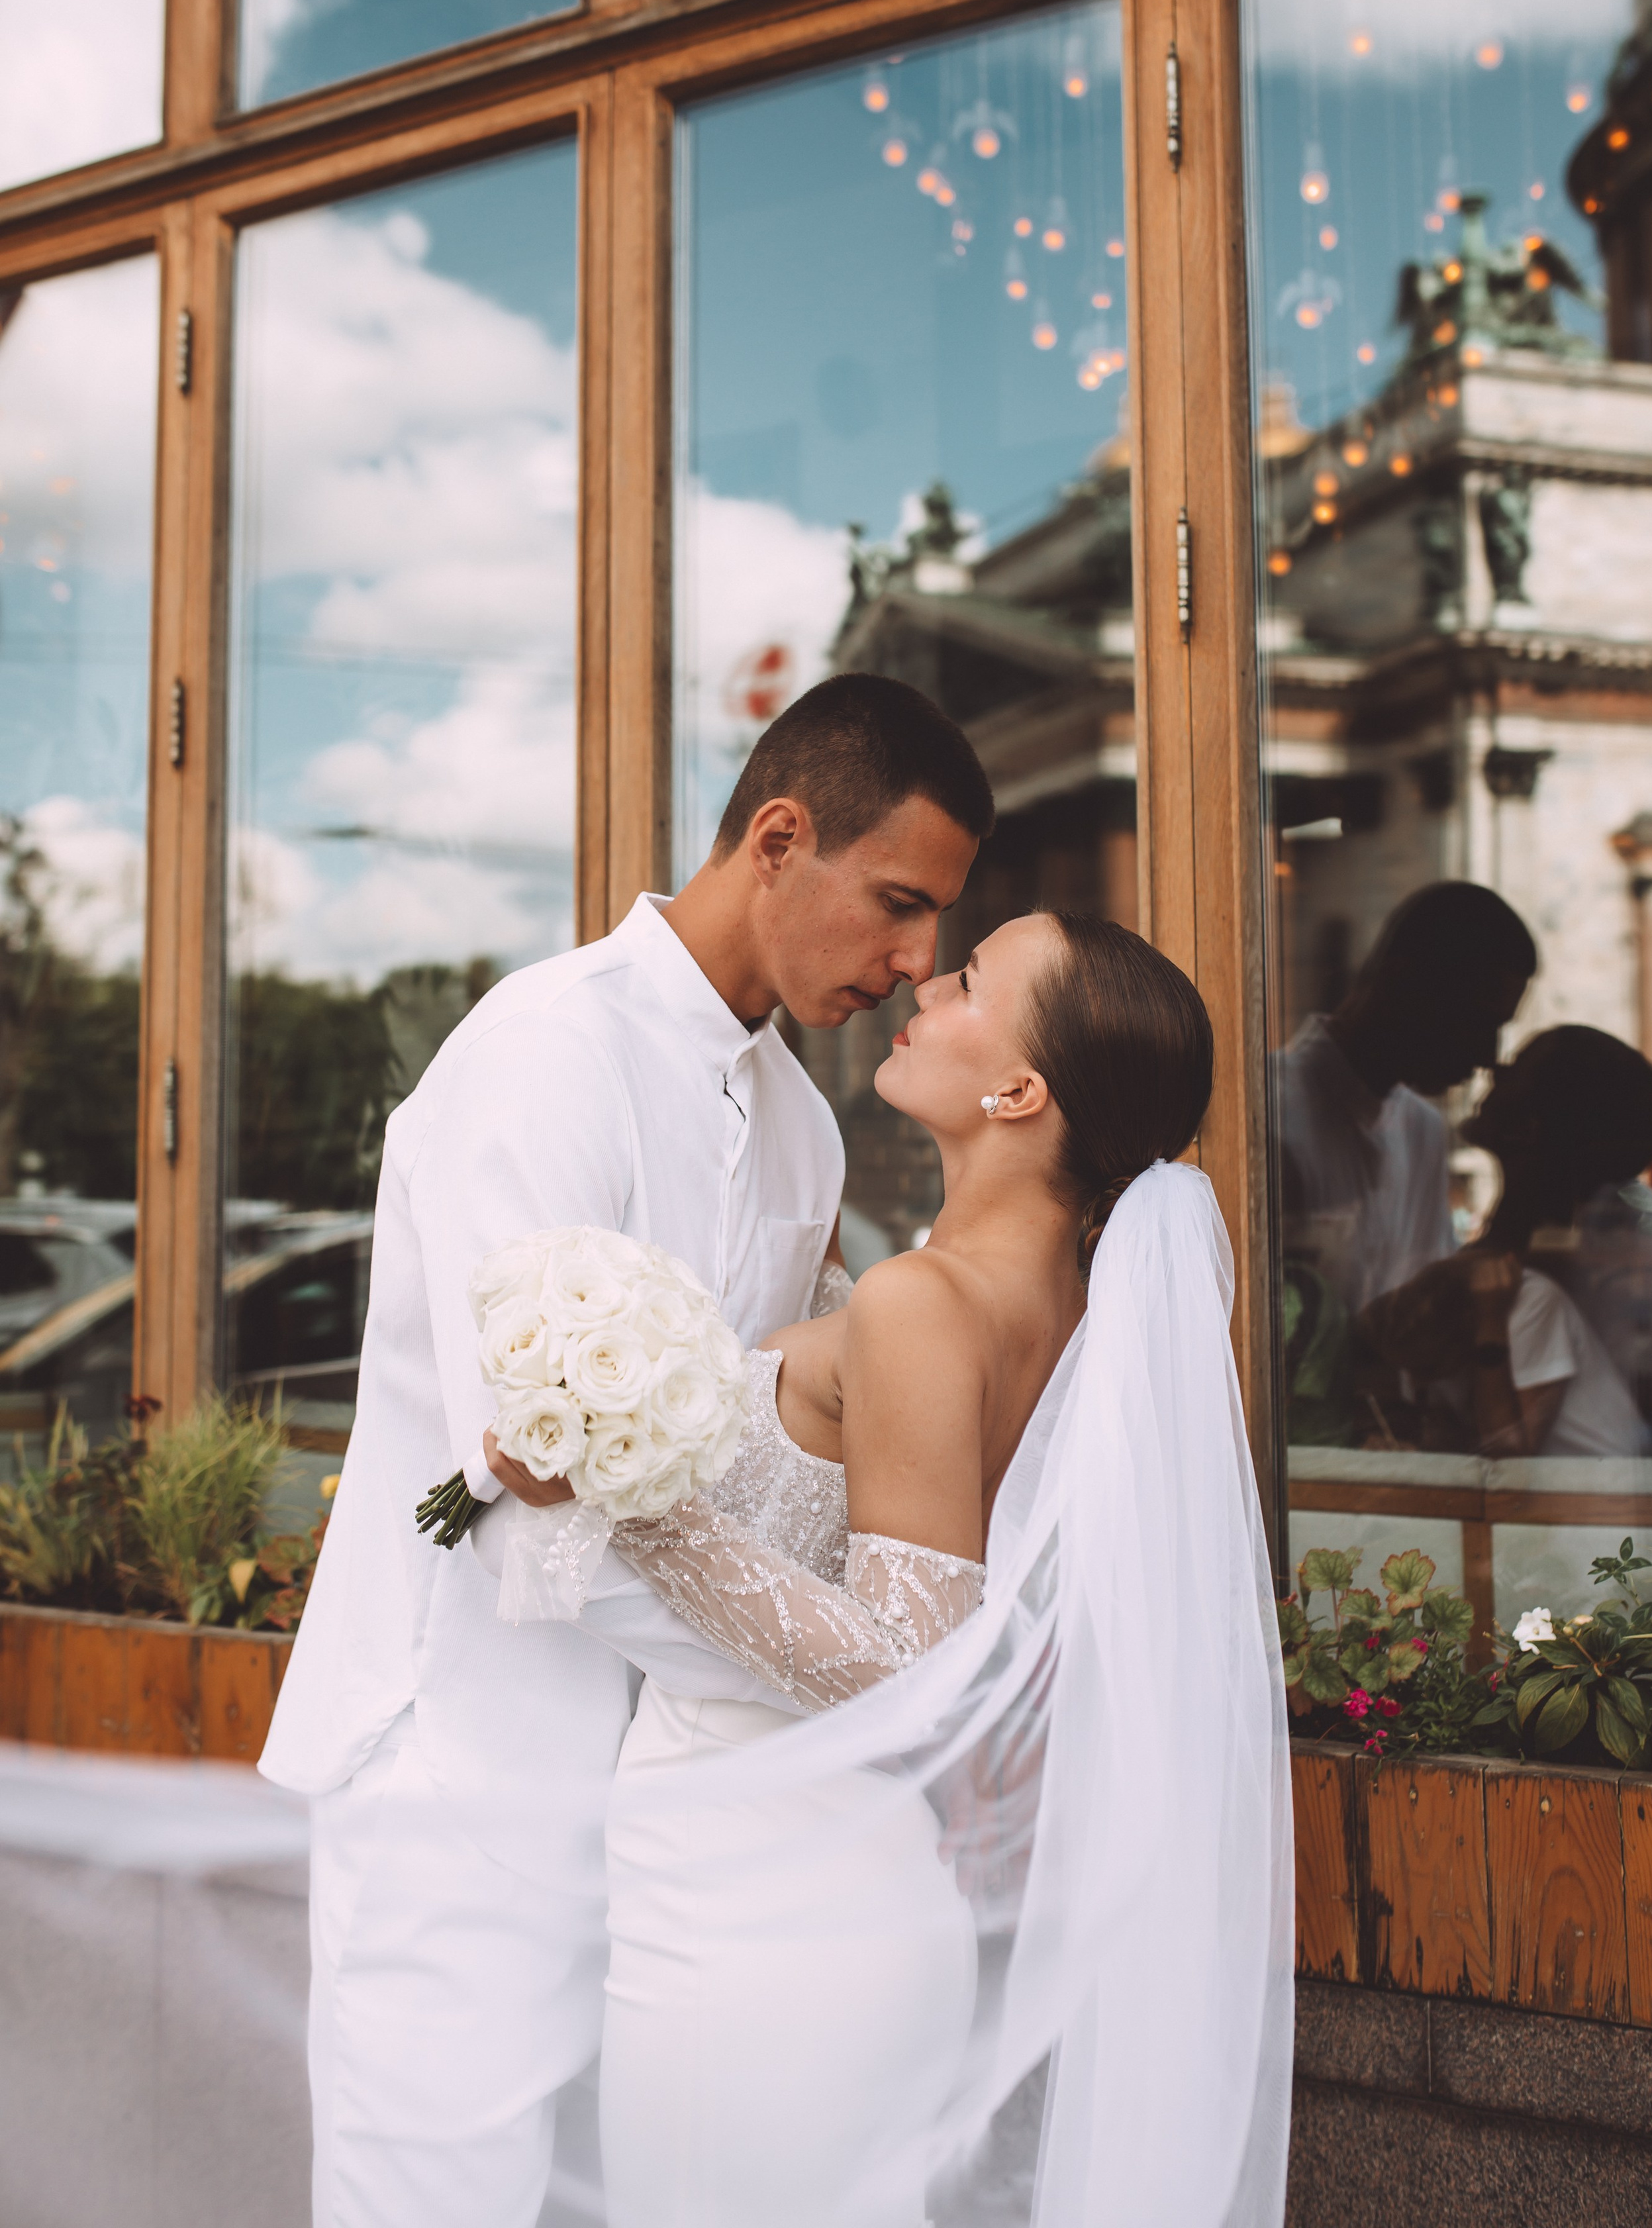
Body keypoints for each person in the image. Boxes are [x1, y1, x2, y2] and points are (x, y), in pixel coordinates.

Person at [256, 671, 995, 2228]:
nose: (915, 961)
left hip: (675, 1810)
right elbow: (528, 1488)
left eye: (936, 922)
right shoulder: (543, 1052)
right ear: (777, 838)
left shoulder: (801, 1126)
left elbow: (768, 1472)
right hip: (464, 1760)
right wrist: (844, 1679)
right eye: (897, 903)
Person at [530, 912, 1292, 2225]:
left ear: (1019, 1091)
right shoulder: (1057, 1308)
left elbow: (910, 1667)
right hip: (834, 1884)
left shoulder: (926, 1303)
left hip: (769, 1897)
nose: (924, 987)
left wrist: (627, 1487)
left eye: (969, 980)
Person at [1275, 881, 1536, 1441]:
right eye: (1478, 1021)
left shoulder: (1423, 1130)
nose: (1487, 1055)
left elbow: (1424, 1327)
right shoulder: (1271, 1114)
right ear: (1402, 984)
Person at [1355, 1025, 1652, 1458]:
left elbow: (1506, 1450)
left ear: (1527, 1130)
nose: (1492, 1069)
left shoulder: (1529, 1286)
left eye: (1514, 1070)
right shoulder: (1519, 1260)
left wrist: (1488, 1322)